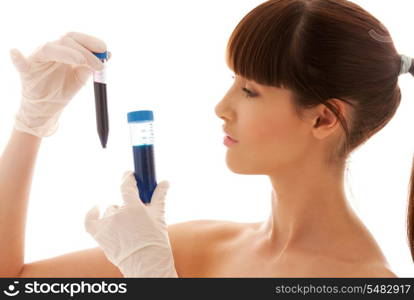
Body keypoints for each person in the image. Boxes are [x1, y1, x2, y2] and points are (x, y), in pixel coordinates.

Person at [1, 0, 412, 278]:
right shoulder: (209, 245)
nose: (221, 106)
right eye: (232, 81)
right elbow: (12, 280)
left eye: (250, 90)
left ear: (324, 118)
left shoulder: (363, 281)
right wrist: (33, 120)